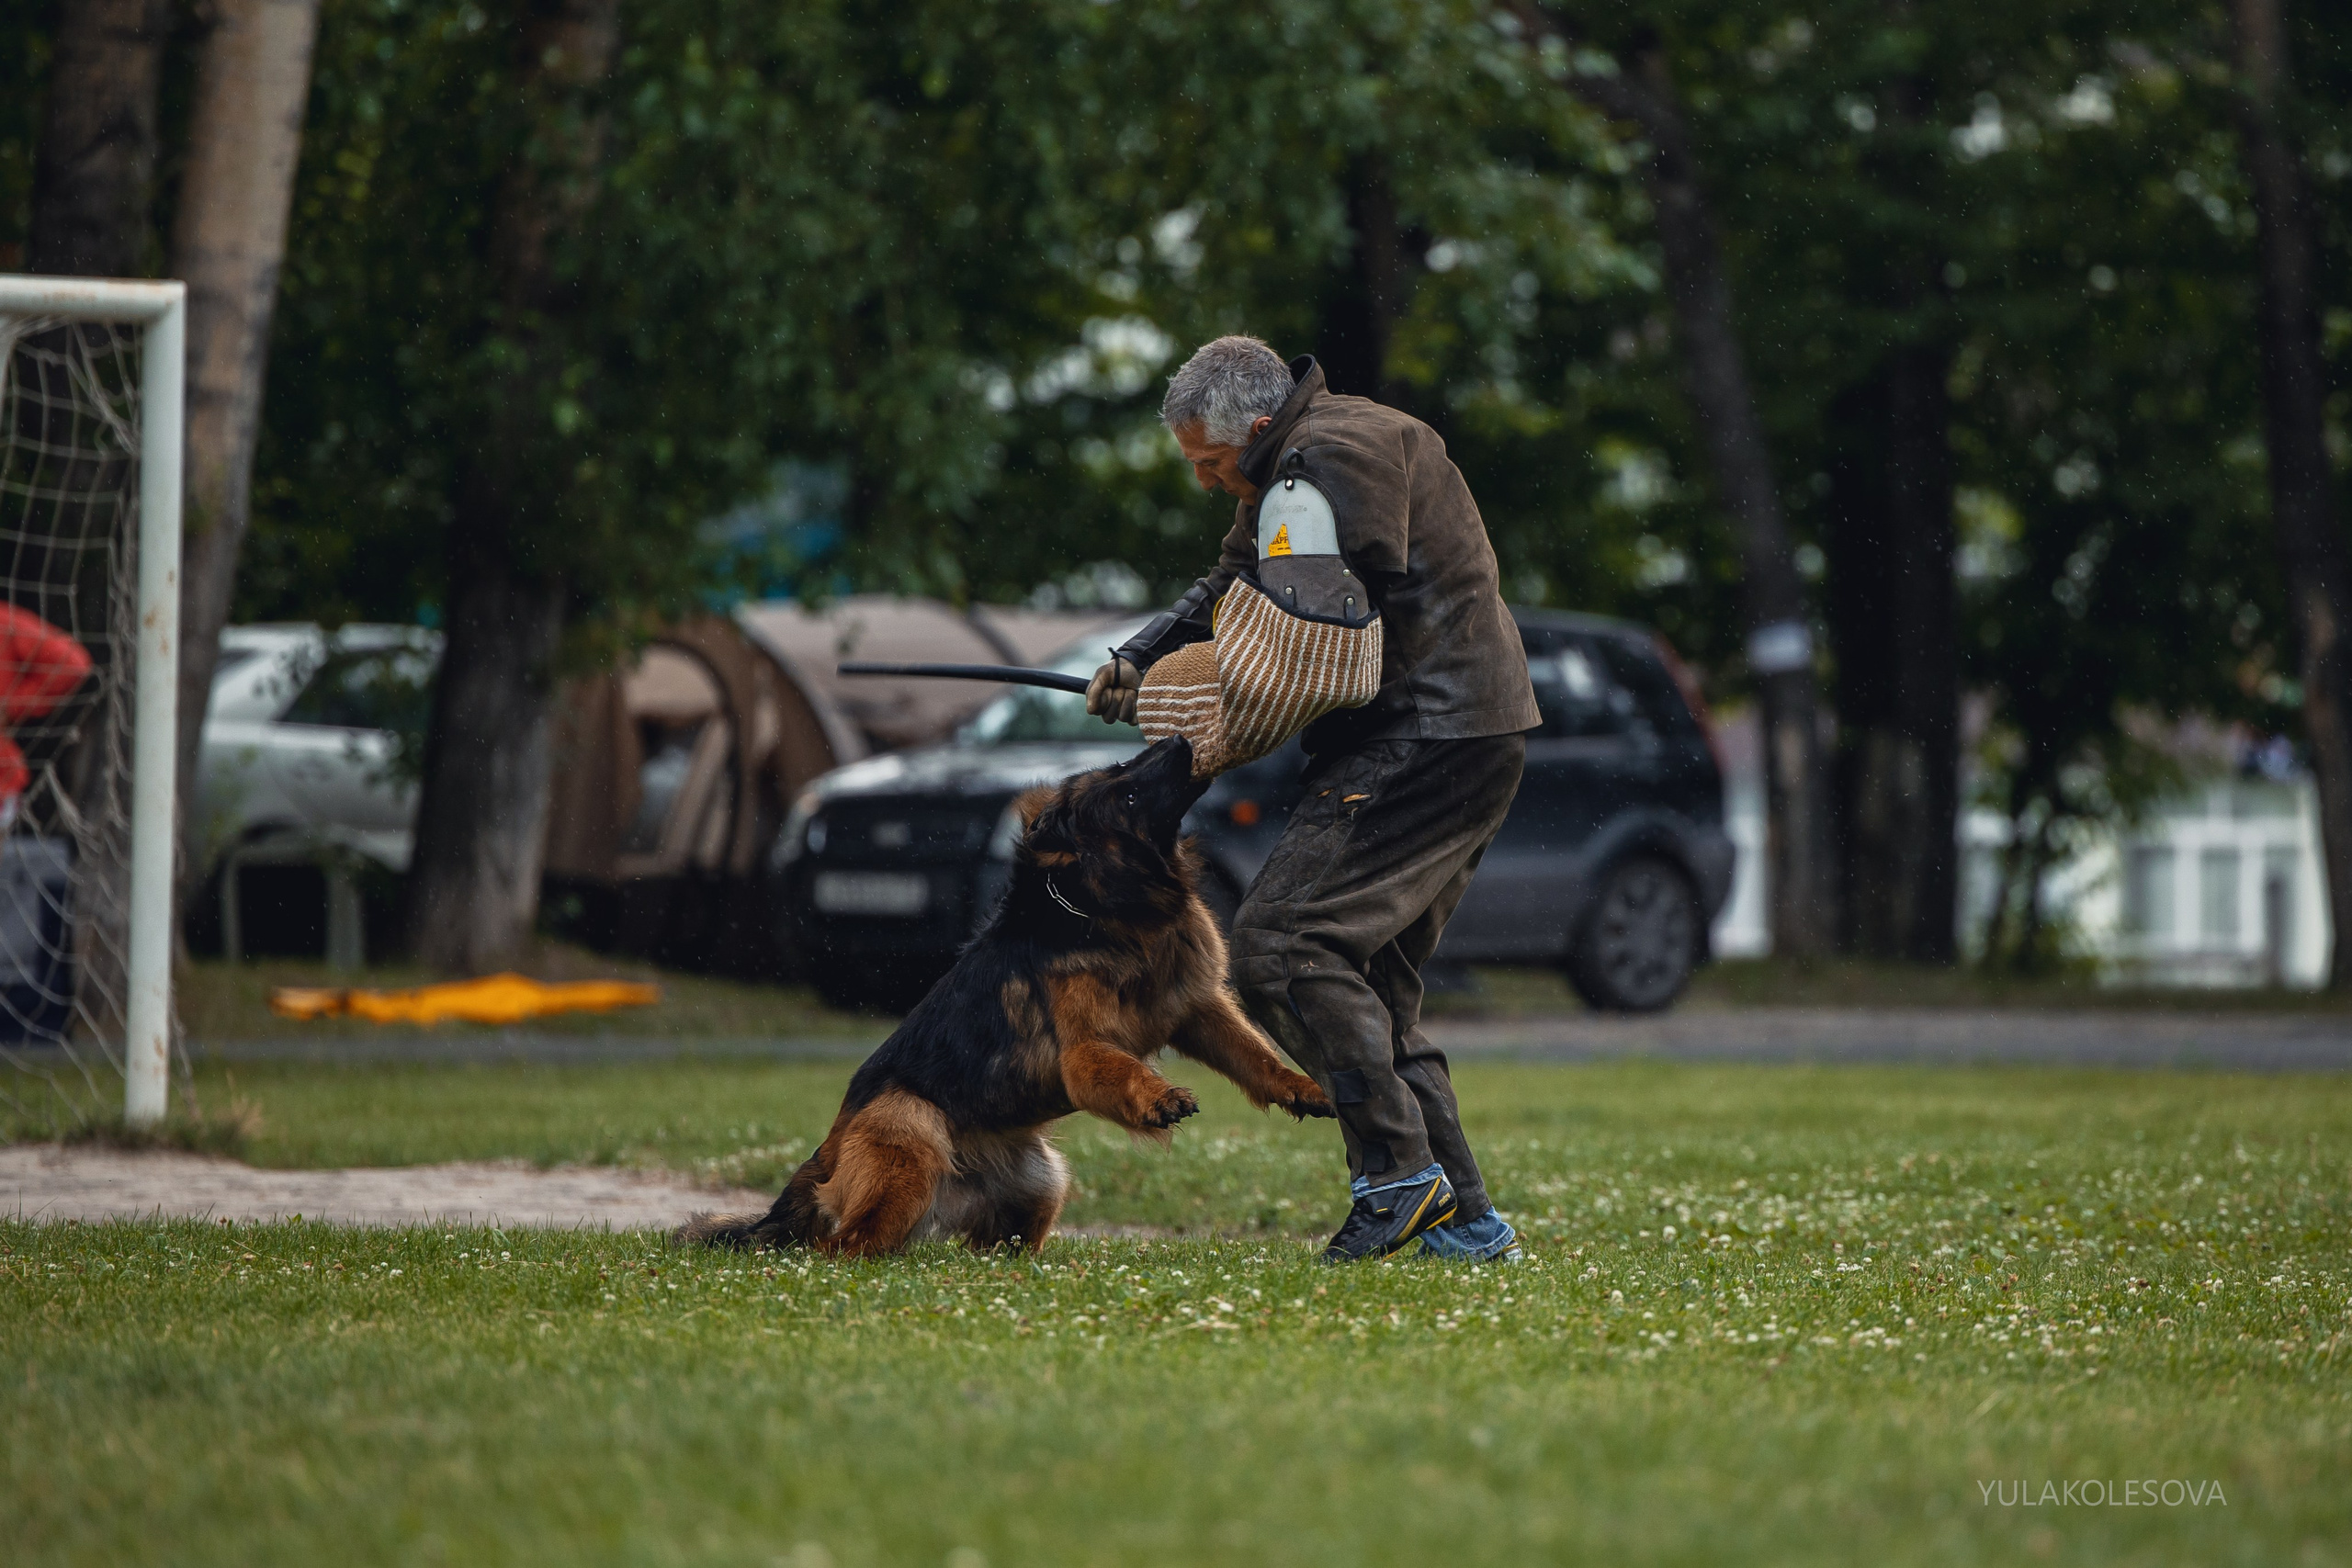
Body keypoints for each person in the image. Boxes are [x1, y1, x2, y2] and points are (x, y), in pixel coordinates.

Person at [1087, 336, 1539, 1263]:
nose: (1213, 483)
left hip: (1424, 733)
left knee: (1282, 947)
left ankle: (1398, 1176)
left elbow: (1325, 620)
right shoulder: (1299, 459)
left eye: (1212, 464)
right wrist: (1135, 658)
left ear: (1251, 428)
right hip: (1468, 730)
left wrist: (1211, 697)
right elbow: (1233, 585)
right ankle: (1464, 1223)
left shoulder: (1328, 461)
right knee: (1366, 984)